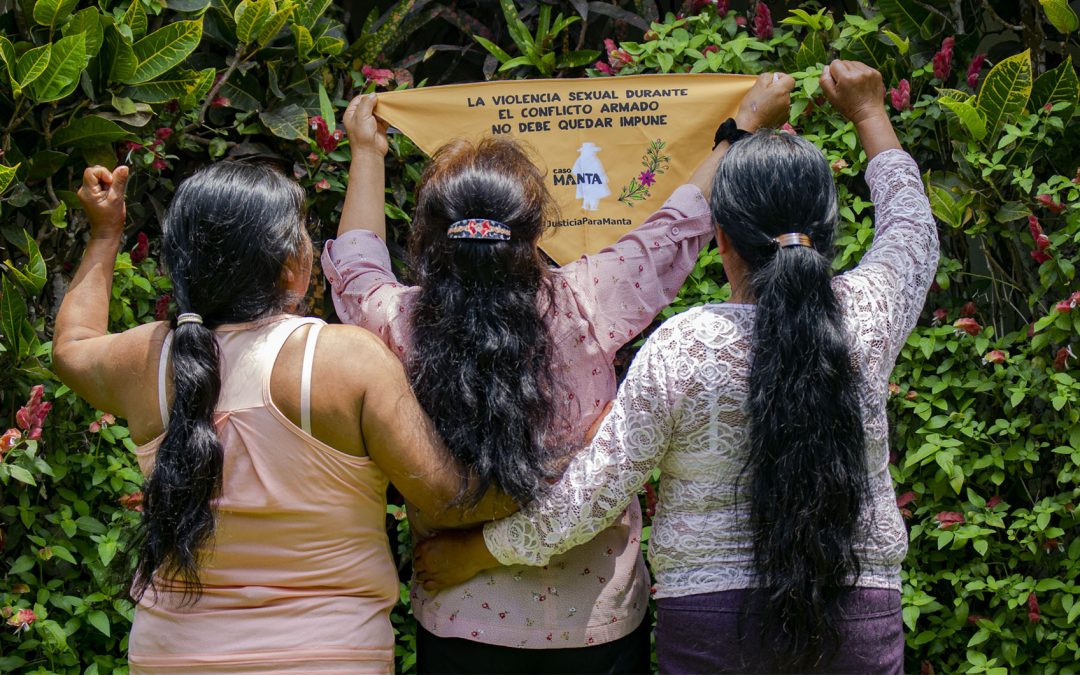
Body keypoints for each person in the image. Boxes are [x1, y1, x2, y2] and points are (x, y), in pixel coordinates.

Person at [414, 60, 939, 674]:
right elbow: (913, 228)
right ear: (829, 228)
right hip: (860, 614)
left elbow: (592, 498)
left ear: (721, 239)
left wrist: (478, 550)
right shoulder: (872, 313)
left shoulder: (687, 345)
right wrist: (870, 112)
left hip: (713, 632)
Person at [321, 75, 794, 673]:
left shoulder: (398, 321)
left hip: (459, 620)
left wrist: (367, 152)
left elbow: (357, 264)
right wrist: (745, 123)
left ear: (433, 237)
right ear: (536, 231)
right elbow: (680, 224)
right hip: (595, 626)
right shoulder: (589, 299)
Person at [53, 161, 511, 673]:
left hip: (170, 656)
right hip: (327, 656)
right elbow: (451, 501)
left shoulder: (143, 360)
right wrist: (576, 473)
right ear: (292, 265)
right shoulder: (345, 362)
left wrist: (106, 231)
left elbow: (72, 346)